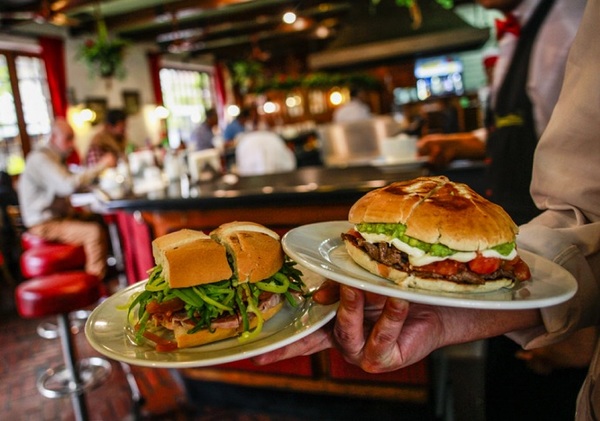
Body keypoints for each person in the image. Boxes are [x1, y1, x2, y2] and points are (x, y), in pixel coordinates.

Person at [254, 0, 600, 418]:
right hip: (526, 252)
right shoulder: (521, 36)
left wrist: (578, 316)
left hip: (516, 247)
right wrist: (561, 304)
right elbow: (579, 201)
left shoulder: (568, 20)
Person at [18, 119, 117, 279]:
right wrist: (102, 165)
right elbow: (68, 186)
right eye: (68, 138)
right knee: (93, 233)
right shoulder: (41, 159)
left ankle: (109, 272)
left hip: (57, 218)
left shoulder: (54, 158)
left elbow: (74, 181)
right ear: (53, 138)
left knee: (97, 218)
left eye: (73, 138)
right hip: (44, 224)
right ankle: (95, 285)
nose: (72, 143)